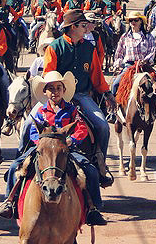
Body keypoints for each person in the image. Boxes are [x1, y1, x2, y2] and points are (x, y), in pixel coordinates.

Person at [0, 71, 107, 224]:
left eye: (58, 88)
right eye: (51, 88)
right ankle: (10, 202)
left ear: (64, 91)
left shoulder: (72, 110)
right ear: (45, 92)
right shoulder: (41, 112)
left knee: (91, 170)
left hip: (66, 149)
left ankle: (93, 209)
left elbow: (81, 128)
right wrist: (42, 143)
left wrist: (71, 140)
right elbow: (34, 133)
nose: (55, 92)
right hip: (42, 149)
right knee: (15, 166)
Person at [42, 10, 116, 187]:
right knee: (29, 124)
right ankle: (22, 163)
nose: (87, 28)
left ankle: (100, 165)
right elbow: (47, 76)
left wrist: (107, 93)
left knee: (102, 126)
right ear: (73, 27)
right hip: (56, 96)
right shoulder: (54, 48)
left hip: (81, 94)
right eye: (83, 25)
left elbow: (97, 76)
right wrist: (55, 95)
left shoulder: (89, 48)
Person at [110, 11, 156, 97]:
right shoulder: (125, 36)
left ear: (141, 21)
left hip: (144, 66)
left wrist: (145, 60)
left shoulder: (149, 36)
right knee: (115, 84)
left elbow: (152, 51)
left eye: (136, 20)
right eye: (131, 20)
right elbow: (119, 53)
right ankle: (113, 106)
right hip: (129, 66)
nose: (133, 22)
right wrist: (117, 64)